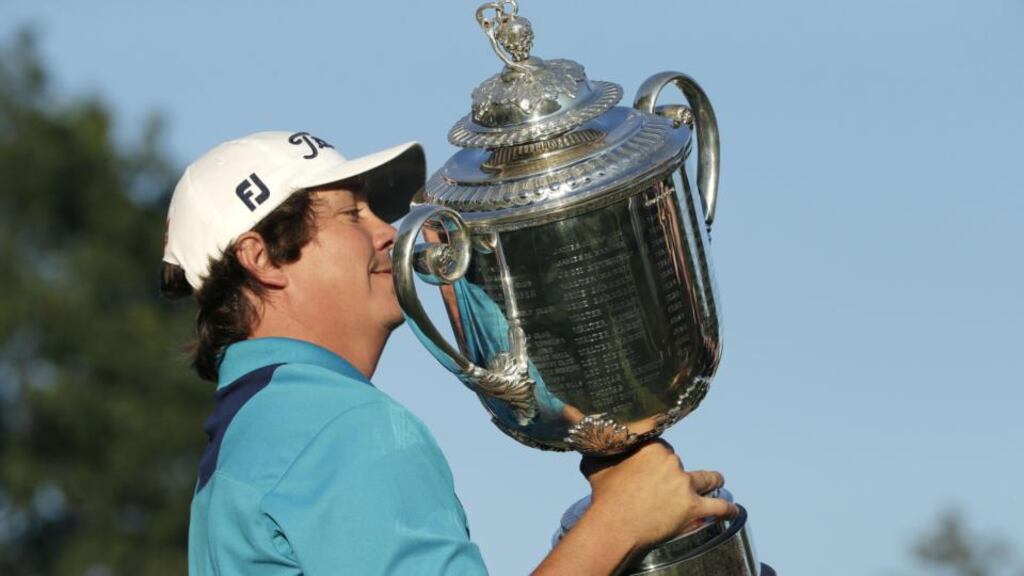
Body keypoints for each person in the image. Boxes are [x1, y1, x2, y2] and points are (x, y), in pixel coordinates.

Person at [161, 130, 739, 575]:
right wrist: (619, 523)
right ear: (260, 259)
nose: (388, 232)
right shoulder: (334, 424)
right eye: (351, 214)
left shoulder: (259, 427)